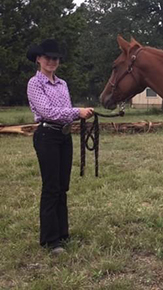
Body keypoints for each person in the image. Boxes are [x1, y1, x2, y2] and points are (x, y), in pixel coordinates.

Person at [26, 39, 94, 255]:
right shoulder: (34, 84)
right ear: (38, 59)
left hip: (64, 137)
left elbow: (63, 109)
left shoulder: (62, 84)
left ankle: (62, 233)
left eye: (55, 58)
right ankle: (50, 239)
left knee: (62, 186)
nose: (51, 61)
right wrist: (77, 112)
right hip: (47, 135)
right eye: (47, 57)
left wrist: (76, 114)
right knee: (51, 187)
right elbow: (47, 111)